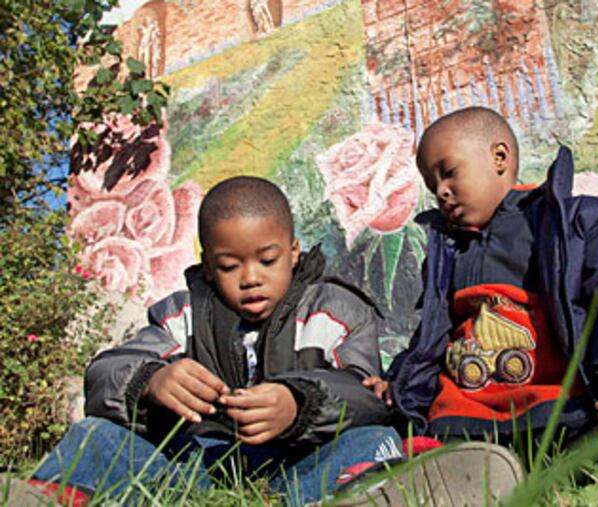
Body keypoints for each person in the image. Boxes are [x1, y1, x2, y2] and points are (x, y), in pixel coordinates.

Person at [13, 176, 403, 506]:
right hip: (197, 462)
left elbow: (366, 396)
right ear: (209, 266)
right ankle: (47, 497)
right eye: (230, 266)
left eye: (267, 260)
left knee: (374, 441)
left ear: (293, 252)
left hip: (303, 461)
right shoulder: (181, 315)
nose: (250, 278)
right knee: (95, 436)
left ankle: (343, 495)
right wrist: (150, 382)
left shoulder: (334, 309)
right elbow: (105, 373)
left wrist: (299, 404)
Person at [364, 107, 598, 467]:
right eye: (431, 184)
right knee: (442, 468)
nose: (441, 191)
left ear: (499, 157)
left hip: (564, 411)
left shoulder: (575, 224)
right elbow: (434, 338)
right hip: (468, 421)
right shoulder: (448, 253)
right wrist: (398, 382)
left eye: (449, 173)